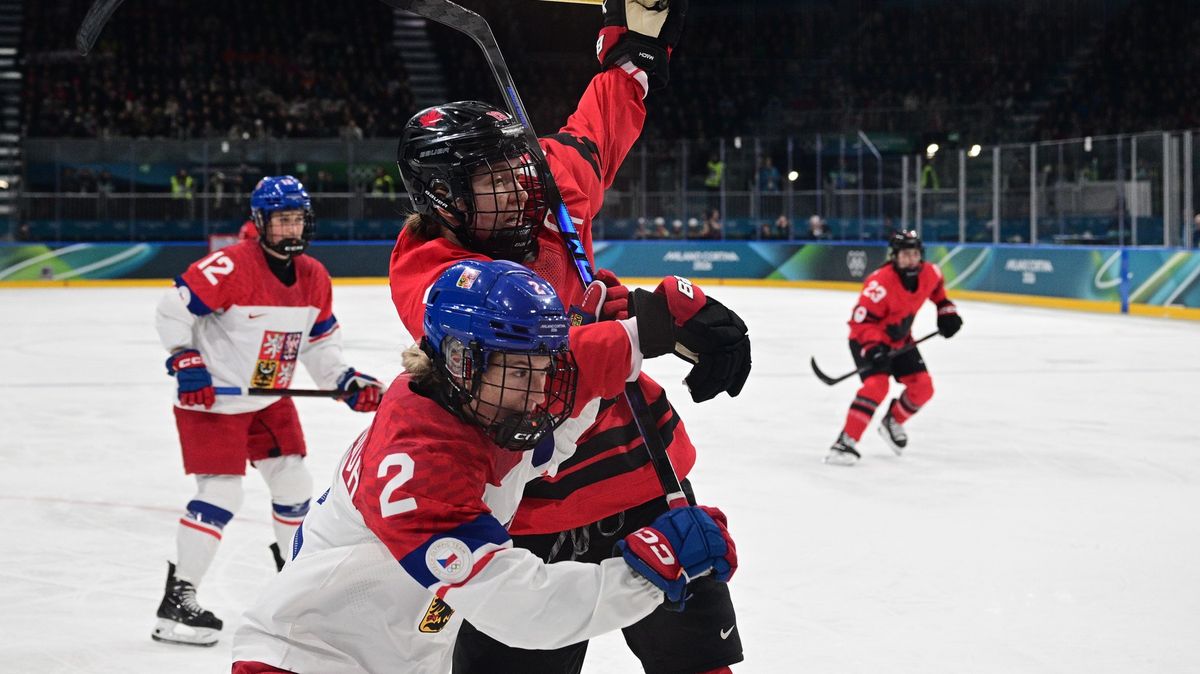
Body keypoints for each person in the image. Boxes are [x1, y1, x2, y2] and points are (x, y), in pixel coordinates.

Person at [390, 2, 752, 672]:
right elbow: (532, 360)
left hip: (643, 474)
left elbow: (598, 127)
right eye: (490, 179)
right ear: (443, 199)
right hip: (529, 513)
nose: (517, 186)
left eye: (514, 167)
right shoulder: (432, 272)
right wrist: (648, 320)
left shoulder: (542, 188)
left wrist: (633, 46)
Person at [231, 260, 737, 674]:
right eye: (521, 370)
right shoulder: (421, 464)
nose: (540, 391)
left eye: (544, 369)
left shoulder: (478, 401)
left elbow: (560, 406)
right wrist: (652, 569)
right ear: (459, 359)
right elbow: (523, 610)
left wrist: (639, 329)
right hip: (303, 664)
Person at [152, 175, 384, 646]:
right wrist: (185, 359)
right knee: (220, 495)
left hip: (269, 399)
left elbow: (320, 345)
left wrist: (344, 380)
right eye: (281, 220)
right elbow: (171, 309)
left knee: (295, 484)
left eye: (297, 218)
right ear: (260, 223)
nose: (291, 227)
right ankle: (177, 599)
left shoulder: (315, 276)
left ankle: (292, 588)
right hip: (214, 401)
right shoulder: (231, 265)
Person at [825, 230, 963, 466]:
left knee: (923, 387)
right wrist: (872, 348)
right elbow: (860, 322)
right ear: (894, 256)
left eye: (915, 254)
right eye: (905, 254)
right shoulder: (879, 283)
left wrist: (946, 311)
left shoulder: (930, 272)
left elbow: (939, 292)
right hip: (867, 339)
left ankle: (892, 421)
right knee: (877, 385)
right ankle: (845, 442)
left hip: (900, 339)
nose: (911, 259)